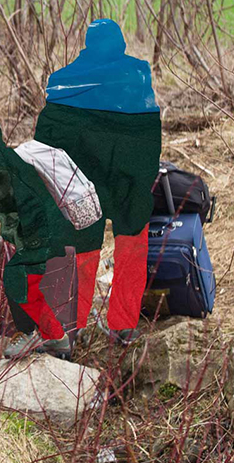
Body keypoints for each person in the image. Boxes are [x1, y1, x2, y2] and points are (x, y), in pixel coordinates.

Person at [33, 19, 161, 346]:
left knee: (77, 250)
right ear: (120, 45)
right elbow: (149, 133)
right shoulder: (137, 76)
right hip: (129, 178)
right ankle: (124, 326)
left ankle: (68, 329)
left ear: (88, 46)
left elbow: (46, 140)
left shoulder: (63, 82)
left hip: (80, 181)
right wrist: (140, 175)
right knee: (132, 244)